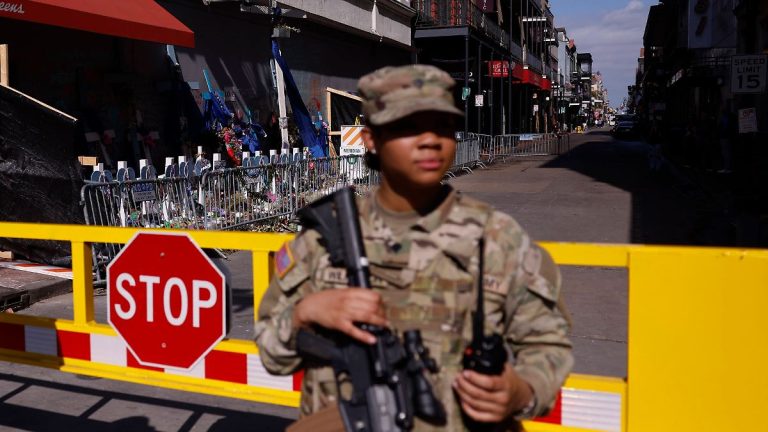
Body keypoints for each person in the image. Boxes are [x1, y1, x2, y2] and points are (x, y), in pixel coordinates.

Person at [254, 64, 573, 431]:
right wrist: (303, 314)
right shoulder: (324, 238)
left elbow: (548, 344)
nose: (430, 140)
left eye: (443, 126)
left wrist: (521, 389)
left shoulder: (497, 239)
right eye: (408, 127)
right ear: (370, 138)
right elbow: (271, 355)